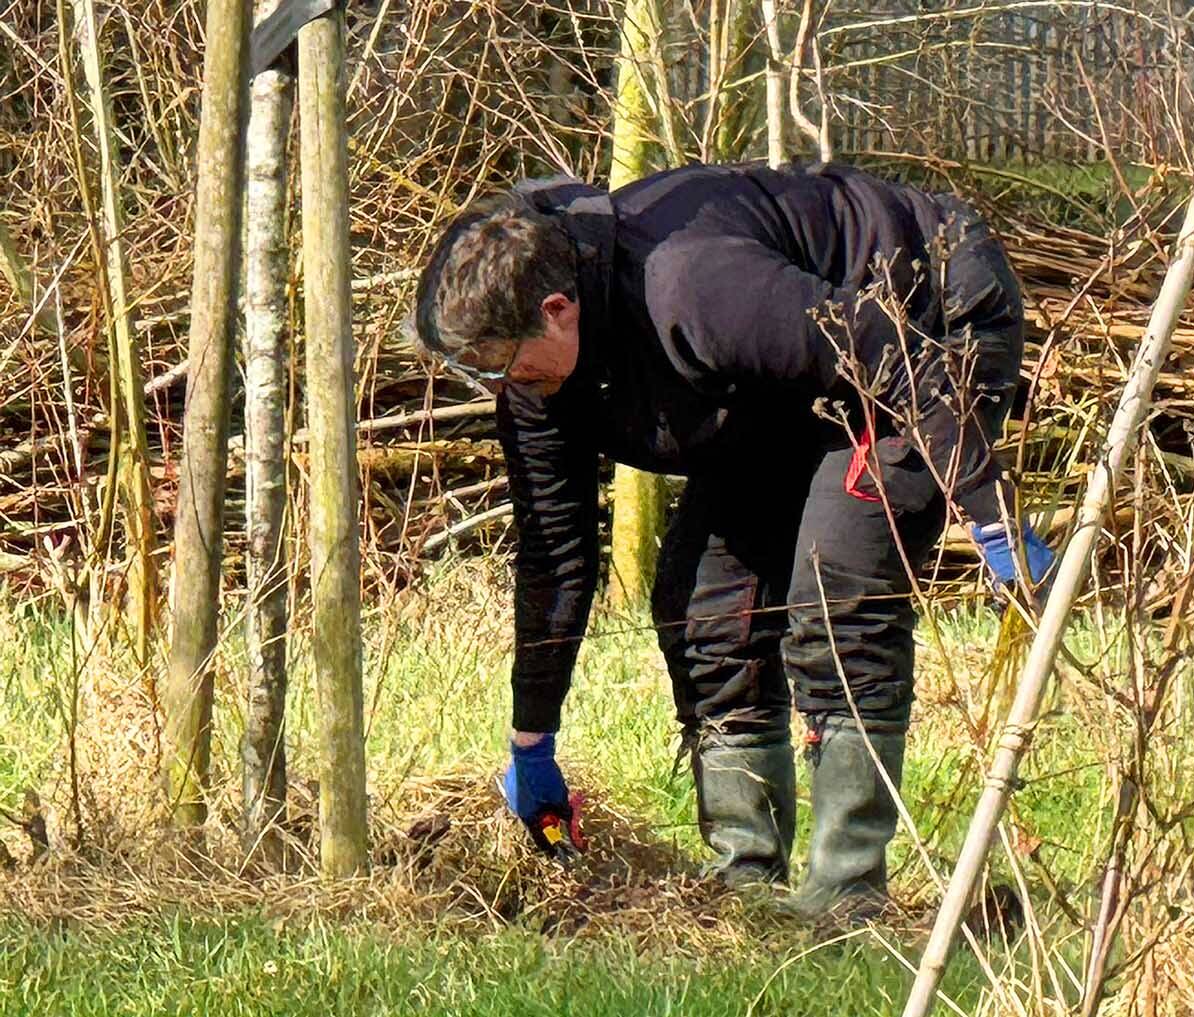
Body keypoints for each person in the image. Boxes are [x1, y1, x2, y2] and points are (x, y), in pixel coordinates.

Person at [406, 161, 1055, 916]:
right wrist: (531, 739)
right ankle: (748, 880)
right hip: (785, 383)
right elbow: (555, 553)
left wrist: (989, 510)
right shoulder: (540, 385)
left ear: (557, 311)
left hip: (921, 324)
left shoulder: (692, 286)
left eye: (503, 366)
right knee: (704, 609)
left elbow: (887, 351)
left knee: (837, 584)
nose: (500, 388)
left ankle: (846, 892)